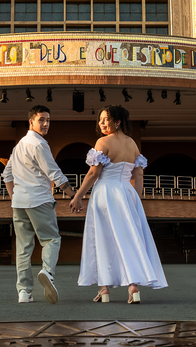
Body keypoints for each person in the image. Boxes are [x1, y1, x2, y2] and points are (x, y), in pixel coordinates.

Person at [70, 105, 167, 304]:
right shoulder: (132, 144)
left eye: (106, 119)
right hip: (127, 193)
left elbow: (93, 174)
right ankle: (133, 286)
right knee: (129, 238)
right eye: (100, 120)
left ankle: (104, 289)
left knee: (103, 238)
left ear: (118, 121)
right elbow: (138, 175)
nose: (102, 123)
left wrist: (78, 196)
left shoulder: (102, 142)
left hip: (105, 192)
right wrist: (135, 200)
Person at [2, 105, 75, 303]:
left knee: (23, 248)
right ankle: (47, 272)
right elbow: (55, 174)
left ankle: (24, 292)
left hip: (19, 204)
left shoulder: (18, 146)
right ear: (31, 122)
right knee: (52, 240)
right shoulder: (39, 144)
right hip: (39, 201)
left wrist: (14, 197)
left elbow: (6, 175)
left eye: (48, 120)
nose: (45, 124)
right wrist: (74, 195)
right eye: (41, 119)